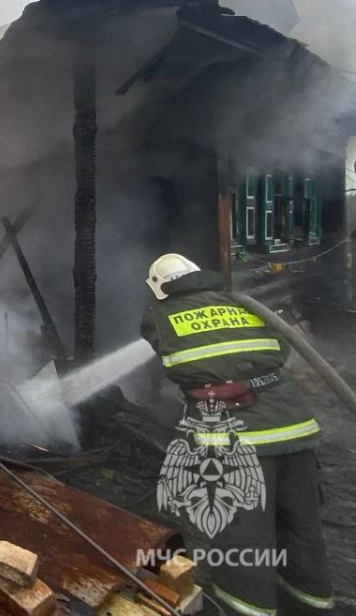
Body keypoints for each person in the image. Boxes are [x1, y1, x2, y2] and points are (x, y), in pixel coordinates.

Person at [140, 253, 333, 616]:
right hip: (294, 425)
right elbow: (280, 349)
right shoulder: (239, 302)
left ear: (159, 287)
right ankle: (312, 604)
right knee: (301, 527)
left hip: (236, 440)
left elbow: (173, 364)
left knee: (243, 539)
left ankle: (245, 609)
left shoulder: (161, 313)